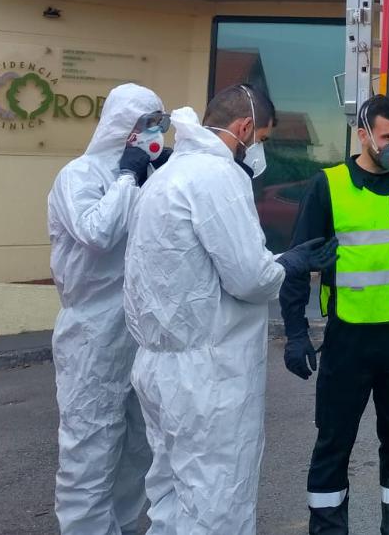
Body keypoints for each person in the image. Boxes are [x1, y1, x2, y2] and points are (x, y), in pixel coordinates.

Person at [124, 84, 338, 535]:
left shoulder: (166, 175)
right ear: (243, 128)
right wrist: (291, 264)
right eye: (261, 137)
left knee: (169, 494)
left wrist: (276, 263)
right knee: (216, 499)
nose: (259, 149)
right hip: (208, 377)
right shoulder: (218, 177)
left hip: (159, 366)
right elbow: (249, 278)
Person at [280, 95, 389, 535]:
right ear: (363, 135)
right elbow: (297, 263)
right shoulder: (330, 185)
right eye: (388, 137)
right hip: (348, 342)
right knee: (334, 445)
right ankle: (327, 529)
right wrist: (296, 333)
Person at [48, 82, 168, 535]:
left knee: (138, 445)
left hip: (138, 325)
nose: (152, 132)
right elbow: (97, 233)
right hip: (92, 331)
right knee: (90, 445)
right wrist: (129, 177)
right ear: (121, 124)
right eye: (145, 123)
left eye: (158, 123)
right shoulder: (78, 175)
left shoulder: (142, 173)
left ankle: (119, 527)